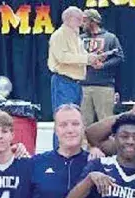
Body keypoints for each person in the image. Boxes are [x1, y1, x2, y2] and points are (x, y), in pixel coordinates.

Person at [48, 5, 100, 144]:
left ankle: (71, 150)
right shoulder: (59, 35)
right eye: (80, 19)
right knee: (64, 119)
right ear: (70, 19)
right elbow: (62, 57)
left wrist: (92, 60)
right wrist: (87, 59)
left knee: (73, 118)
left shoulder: (75, 36)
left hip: (75, 83)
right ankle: (59, 151)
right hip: (63, 81)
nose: (82, 22)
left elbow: (81, 56)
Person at [80, 9, 124, 125]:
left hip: (104, 86)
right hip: (83, 86)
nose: (82, 24)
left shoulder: (110, 38)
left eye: (84, 21)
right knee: (83, 122)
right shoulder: (80, 39)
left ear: (93, 21)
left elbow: (119, 57)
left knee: (106, 122)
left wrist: (103, 65)